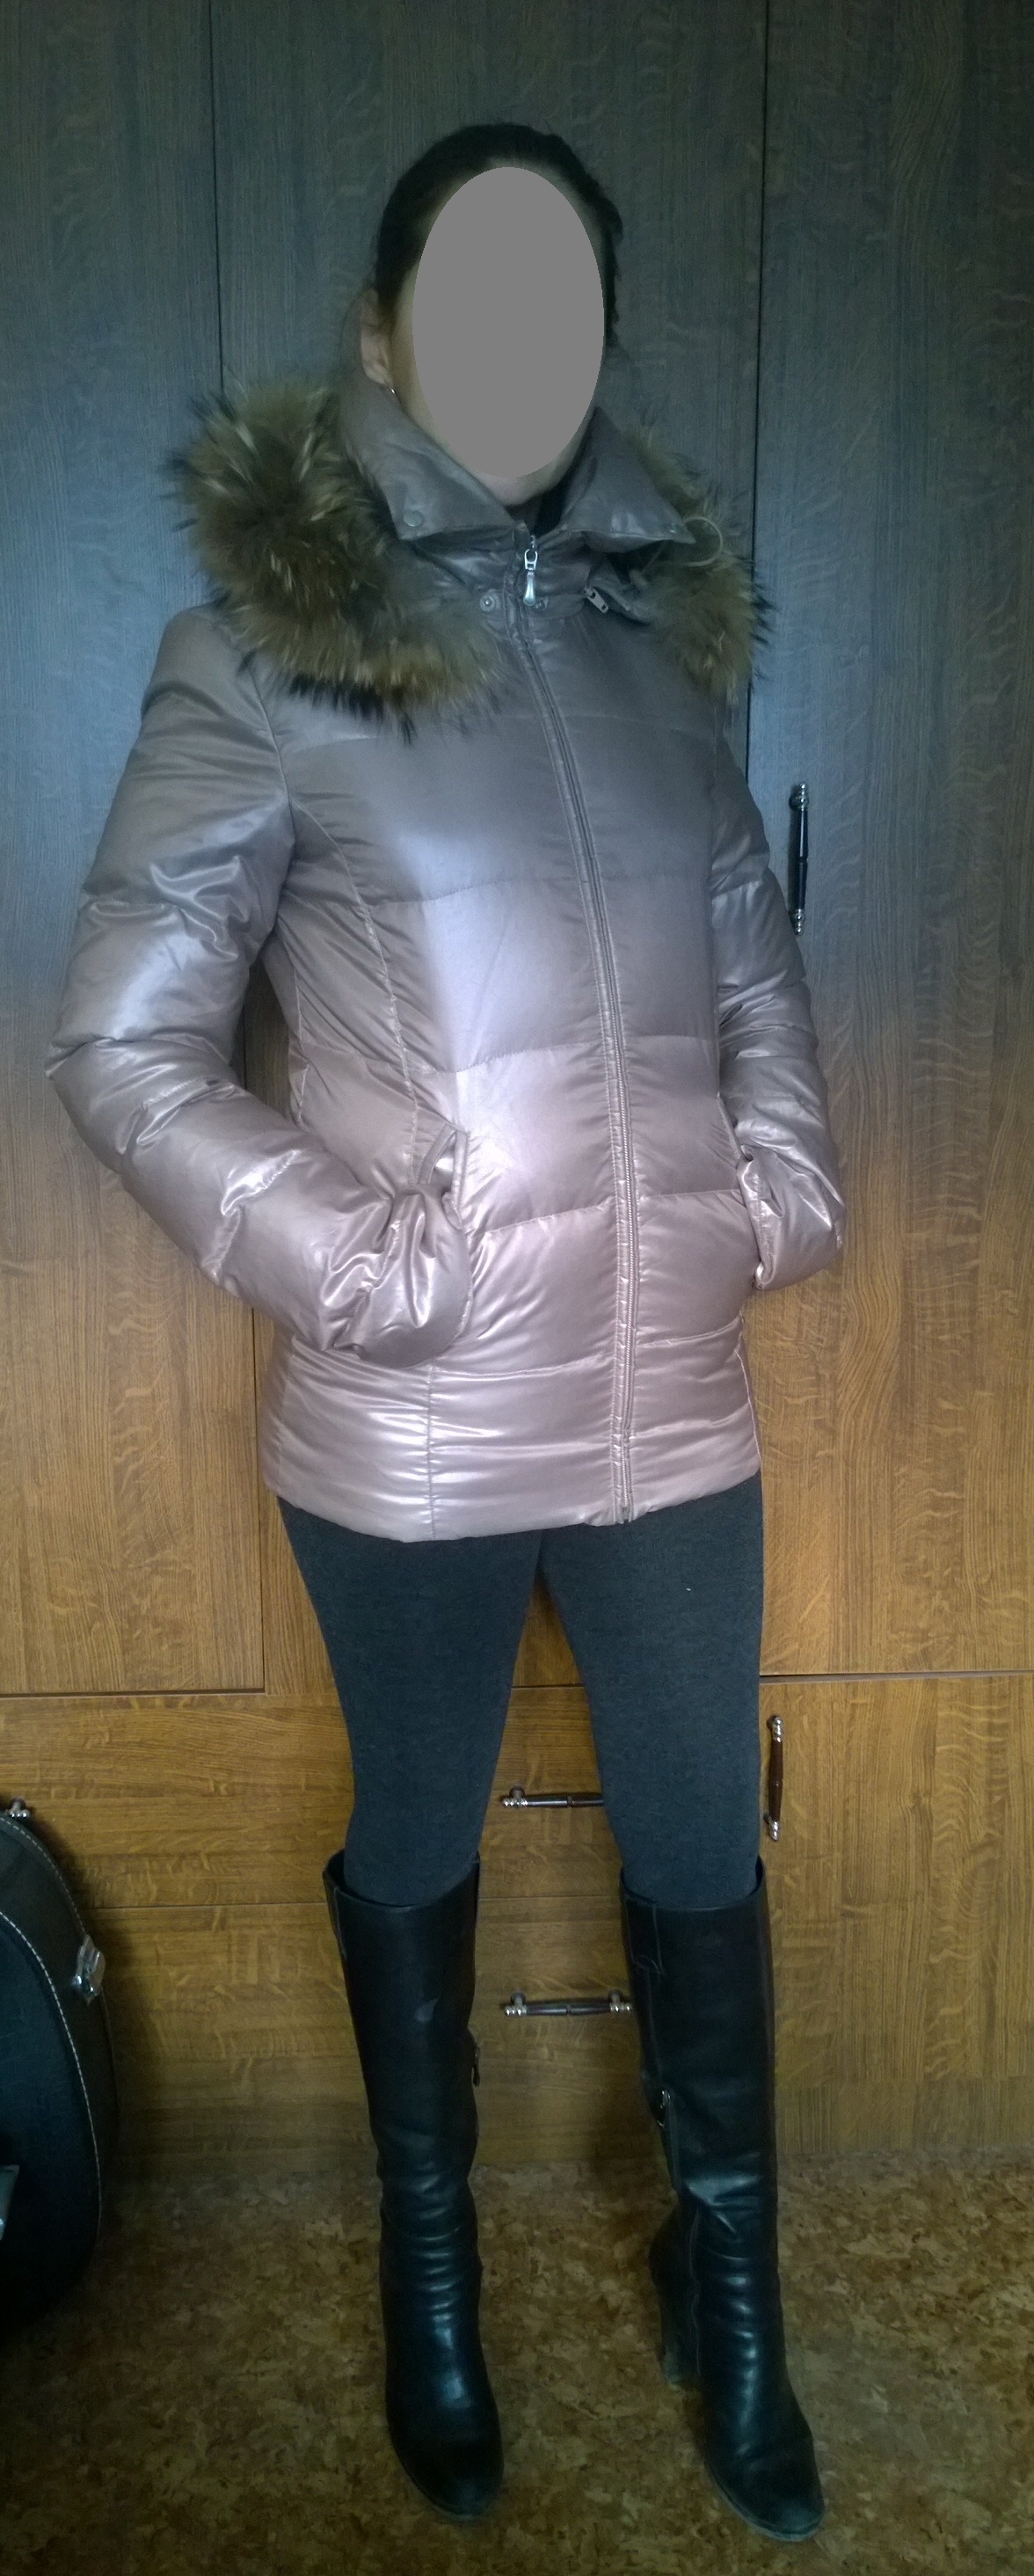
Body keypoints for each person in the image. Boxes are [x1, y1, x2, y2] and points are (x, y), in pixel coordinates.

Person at [45, 119, 846, 2543]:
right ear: (388, 336)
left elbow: (750, 967)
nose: (526, 344)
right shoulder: (262, 653)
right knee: (413, 1836)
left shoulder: (664, 652)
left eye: (563, 299)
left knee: (702, 1843)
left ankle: (731, 2286)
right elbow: (125, 1045)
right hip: (412, 1418)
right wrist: (363, 1267)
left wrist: (779, 1191)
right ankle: (434, 2283)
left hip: (674, 1396)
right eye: (479, 296)